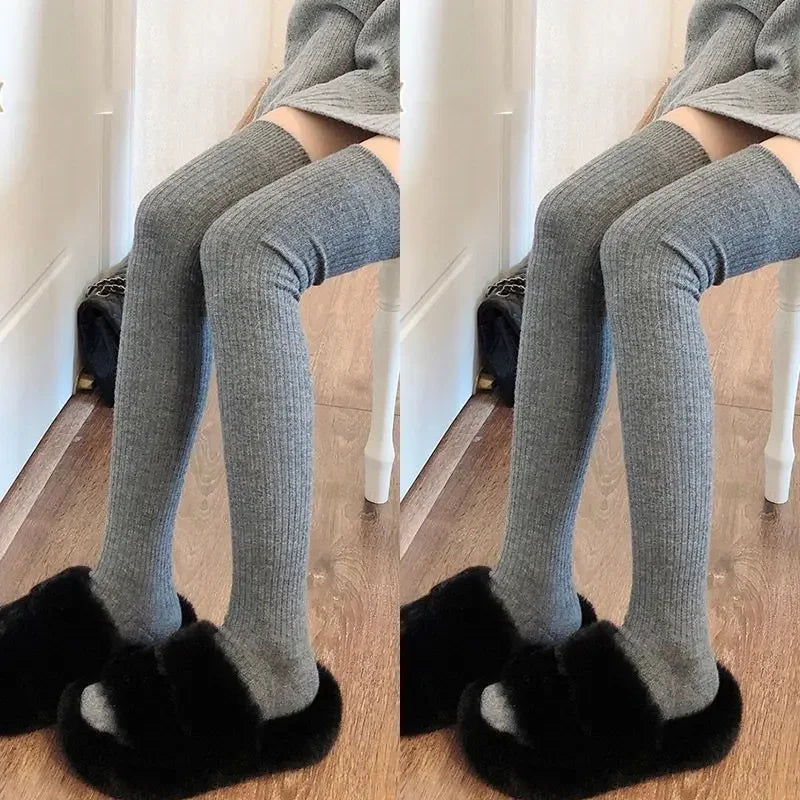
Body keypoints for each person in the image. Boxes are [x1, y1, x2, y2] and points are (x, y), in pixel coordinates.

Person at [401, 2, 800, 797]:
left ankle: (673, 658)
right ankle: (530, 590)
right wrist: (710, 81)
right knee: (570, 220)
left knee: (655, 248)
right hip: (774, 73)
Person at [0, 2, 399, 797]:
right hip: (371, 74)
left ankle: (274, 658)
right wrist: (307, 86)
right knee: (169, 219)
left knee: (254, 247)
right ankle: (130, 592)